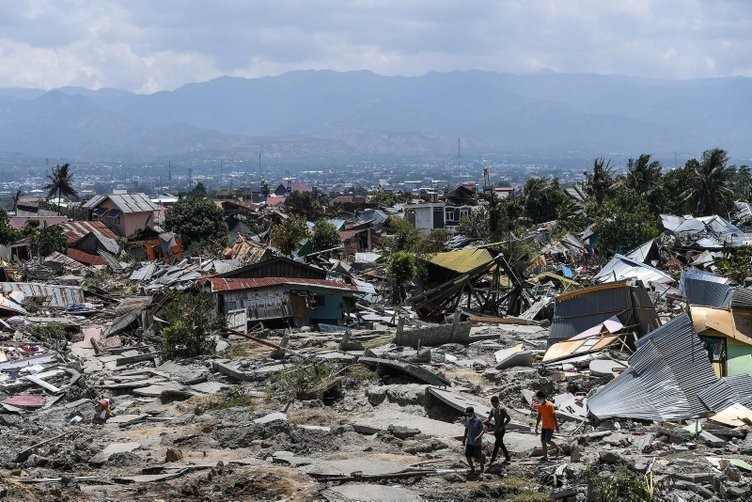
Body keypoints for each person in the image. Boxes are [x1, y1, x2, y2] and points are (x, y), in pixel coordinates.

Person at [484, 396, 511, 464]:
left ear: (498, 402)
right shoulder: (493, 410)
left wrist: (502, 426)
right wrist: (483, 422)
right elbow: (489, 418)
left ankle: (492, 461)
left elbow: (508, 418)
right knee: (501, 444)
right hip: (496, 430)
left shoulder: (502, 409)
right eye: (493, 403)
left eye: (495, 403)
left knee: (496, 445)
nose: (494, 404)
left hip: (501, 430)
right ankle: (508, 457)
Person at [534, 391, 559, 461]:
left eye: (540, 398)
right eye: (538, 398)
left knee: (547, 440)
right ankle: (545, 457)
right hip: (544, 426)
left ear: (543, 397)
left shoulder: (550, 405)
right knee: (543, 441)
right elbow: (539, 416)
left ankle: (557, 448)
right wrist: (536, 426)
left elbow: (554, 416)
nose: (539, 399)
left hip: (550, 425)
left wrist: (557, 426)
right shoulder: (539, 406)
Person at [462, 406, 485, 474]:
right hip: (469, 441)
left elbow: (483, 430)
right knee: (468, 456)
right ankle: (472, 469)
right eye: (467, 414)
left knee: (477, 458)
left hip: (477, 443)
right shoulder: (467, 419)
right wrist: (464, 439)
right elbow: (466, 429)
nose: (468, 415)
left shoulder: (478, 420)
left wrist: (478, 436)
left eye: (469, 414)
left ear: (473, 413)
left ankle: (482, 467)